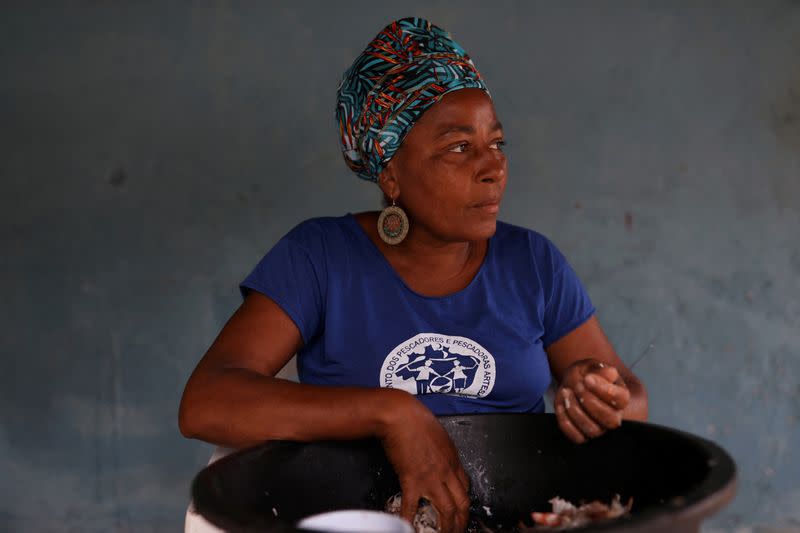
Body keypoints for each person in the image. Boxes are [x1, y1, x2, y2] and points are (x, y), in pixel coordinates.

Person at [179, 17, 648, 533]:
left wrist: (598, 395)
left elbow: (630, 398)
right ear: (391, 173)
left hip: (514, 514)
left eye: (497, 143)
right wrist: (390, 413)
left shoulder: (532, 263)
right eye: (458, 147)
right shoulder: (320, 257)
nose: (493, 167)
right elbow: (207, 402)